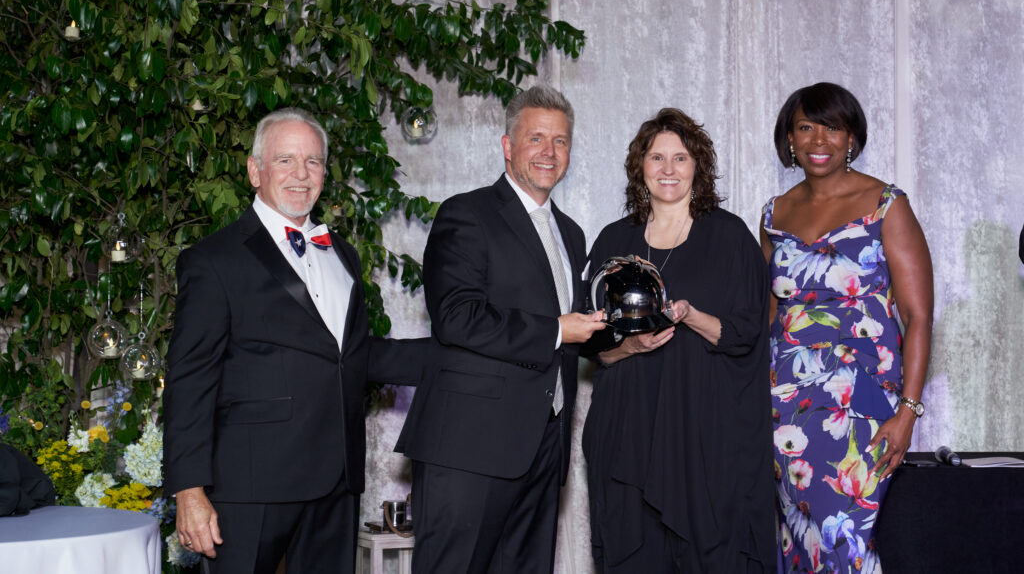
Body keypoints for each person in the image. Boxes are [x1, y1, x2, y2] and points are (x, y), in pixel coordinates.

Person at [163, 108, 428, 573]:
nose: (301, 175)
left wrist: (468, 355)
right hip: (249, 486)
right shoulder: (213, 261)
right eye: (285, 160)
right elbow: (189, 381)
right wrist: (189, 490)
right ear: (254, 170)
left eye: (313, 162)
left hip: (337, 482)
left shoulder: (342, 253)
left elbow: (355, 356)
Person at [395, 85, 607, 573]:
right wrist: (556, 329)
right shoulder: (465, 214)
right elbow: (456, 317)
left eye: (560, 141)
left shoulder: (570, 233)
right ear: (508, 146)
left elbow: (576, 334)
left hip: (543, 448)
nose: (549, 152)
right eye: (536, 139)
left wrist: (627, 340)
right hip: (468, 449)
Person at [582, 108, 775, 573]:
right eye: (656, 157)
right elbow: (589, 342)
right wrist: (629, 347)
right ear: (640, 168)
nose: (668, 169)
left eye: (680, 158)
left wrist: (691, 316)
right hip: (628, 431)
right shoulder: (614, 239)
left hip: (703, 436)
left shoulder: (729, 237)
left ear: (697, 167)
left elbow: (747, 333)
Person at [761, 82, 933, 574]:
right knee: (797, 545)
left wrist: (908, 412)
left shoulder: (886, 204)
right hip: (784, 407)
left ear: (852, 137)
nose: (819, 139)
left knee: (845, 542)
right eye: (806, 127)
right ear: (789, 139)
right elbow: (769, 316)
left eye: (832, 127)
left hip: (859, 405)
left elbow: (918, 316)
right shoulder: (774, 215)